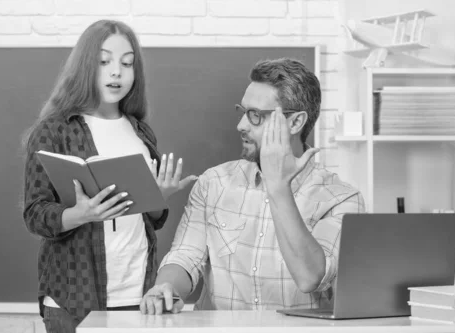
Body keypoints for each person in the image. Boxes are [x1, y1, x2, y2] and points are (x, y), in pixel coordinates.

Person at [140, 58, 365, 315]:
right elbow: (185, 256)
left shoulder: (340, 199)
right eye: (243, 111)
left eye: (256, 115)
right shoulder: (214, 183)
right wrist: (166, 287)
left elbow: (311, 277)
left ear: (295, 123)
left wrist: (277, 186)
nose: (241, 125)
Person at [22, 20, 196, 332]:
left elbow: (150, 219)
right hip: (75, 299)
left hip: (139, 295)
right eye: (104, 62)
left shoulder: (139, 130)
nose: (116, 72)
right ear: (85, 66)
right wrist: (79, 214)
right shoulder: (53, 130)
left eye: (127, 63)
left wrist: (159, 197)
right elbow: (35, 214)